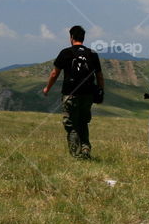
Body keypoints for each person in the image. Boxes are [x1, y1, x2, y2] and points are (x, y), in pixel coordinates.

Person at [43, 25, 104, 159]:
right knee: (83, 122)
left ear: (71, 37)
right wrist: (100, 91)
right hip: (88, 95)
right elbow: (99, 76)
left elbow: (54, 73)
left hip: (70, 94)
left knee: (71, 124)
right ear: (83, 37)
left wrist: (47, 88)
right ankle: (86, 147)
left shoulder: (66, 53)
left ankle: (76, 155)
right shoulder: (92, 54)